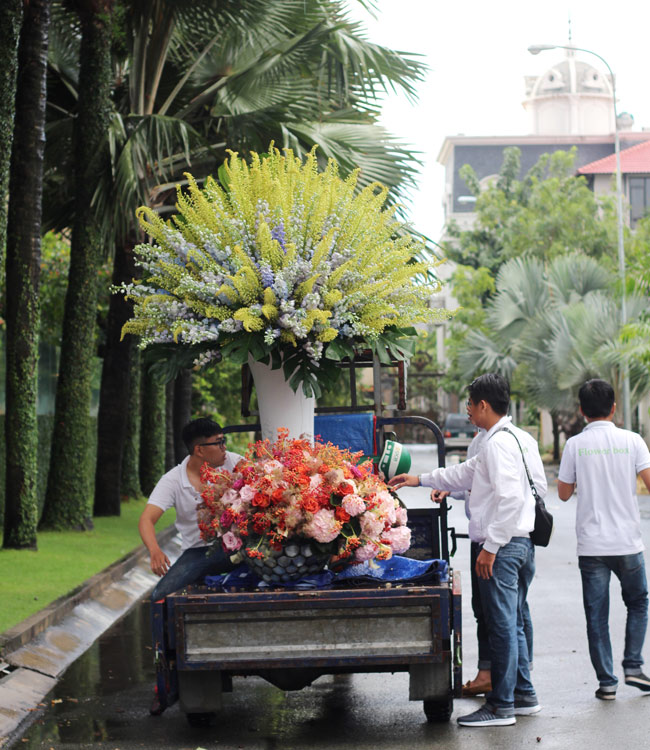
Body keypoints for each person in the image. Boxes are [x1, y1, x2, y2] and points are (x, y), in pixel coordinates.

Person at [390, 373, 546, 727]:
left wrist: (491, 547)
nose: (468, 410)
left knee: (502, 625)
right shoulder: (514, 439)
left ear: (484, 406)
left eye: (471, 404)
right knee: (514, 621)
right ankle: (523, 695)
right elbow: (468, 475)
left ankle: (501, 706)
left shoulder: (497, 444)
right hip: (521, 544)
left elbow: (509, 499)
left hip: (504, 548)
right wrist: (420, 479)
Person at [557, 378, 650, 700]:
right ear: (613, 407)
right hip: (628, 543)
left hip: (592, 546)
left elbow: (564, 493)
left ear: (582, 411)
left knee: (596, 616)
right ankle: (634, 666)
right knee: (638, 603)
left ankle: (607, 682)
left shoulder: (574, 445)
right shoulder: (633, 440)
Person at [139, 417, 243, 602]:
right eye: (218, 442)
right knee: (159, 597)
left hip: (240, 545)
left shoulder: (233, 462)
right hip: (198, 552)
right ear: (199, 450)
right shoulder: (173, 480)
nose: (224, 447)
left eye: (223, 441)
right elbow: (146, 520)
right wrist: (155, 551)